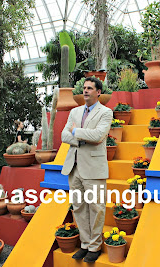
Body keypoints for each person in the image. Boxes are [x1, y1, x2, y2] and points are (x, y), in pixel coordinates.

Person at [61, 77, 113, 263]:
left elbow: (99, 136)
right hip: (74, 167)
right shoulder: (74, 112)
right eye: (84, 88)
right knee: (79, 207)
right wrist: (81, 138)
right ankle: (85, 244)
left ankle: (95, 246)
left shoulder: (106, 112)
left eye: (90, 88)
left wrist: (76, 132)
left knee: (96, 208)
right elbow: (63, 135)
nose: (85, 91)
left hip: (94, 168)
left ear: (98, 92)